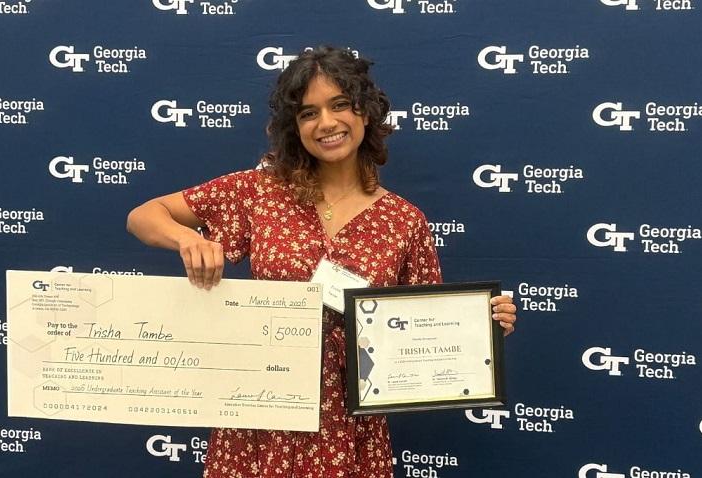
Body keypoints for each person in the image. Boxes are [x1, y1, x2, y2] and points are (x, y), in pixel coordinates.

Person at [127, 46, 517, 478]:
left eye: (340, 105)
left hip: (350, 428)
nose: (326, 123)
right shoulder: (260, 192)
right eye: (309, 113)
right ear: (296, 127)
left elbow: (429, 325)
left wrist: (483, 324)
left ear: (365, 113)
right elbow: (143, 216)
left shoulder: (405, 222)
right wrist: (188, 239)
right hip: (262, 415)